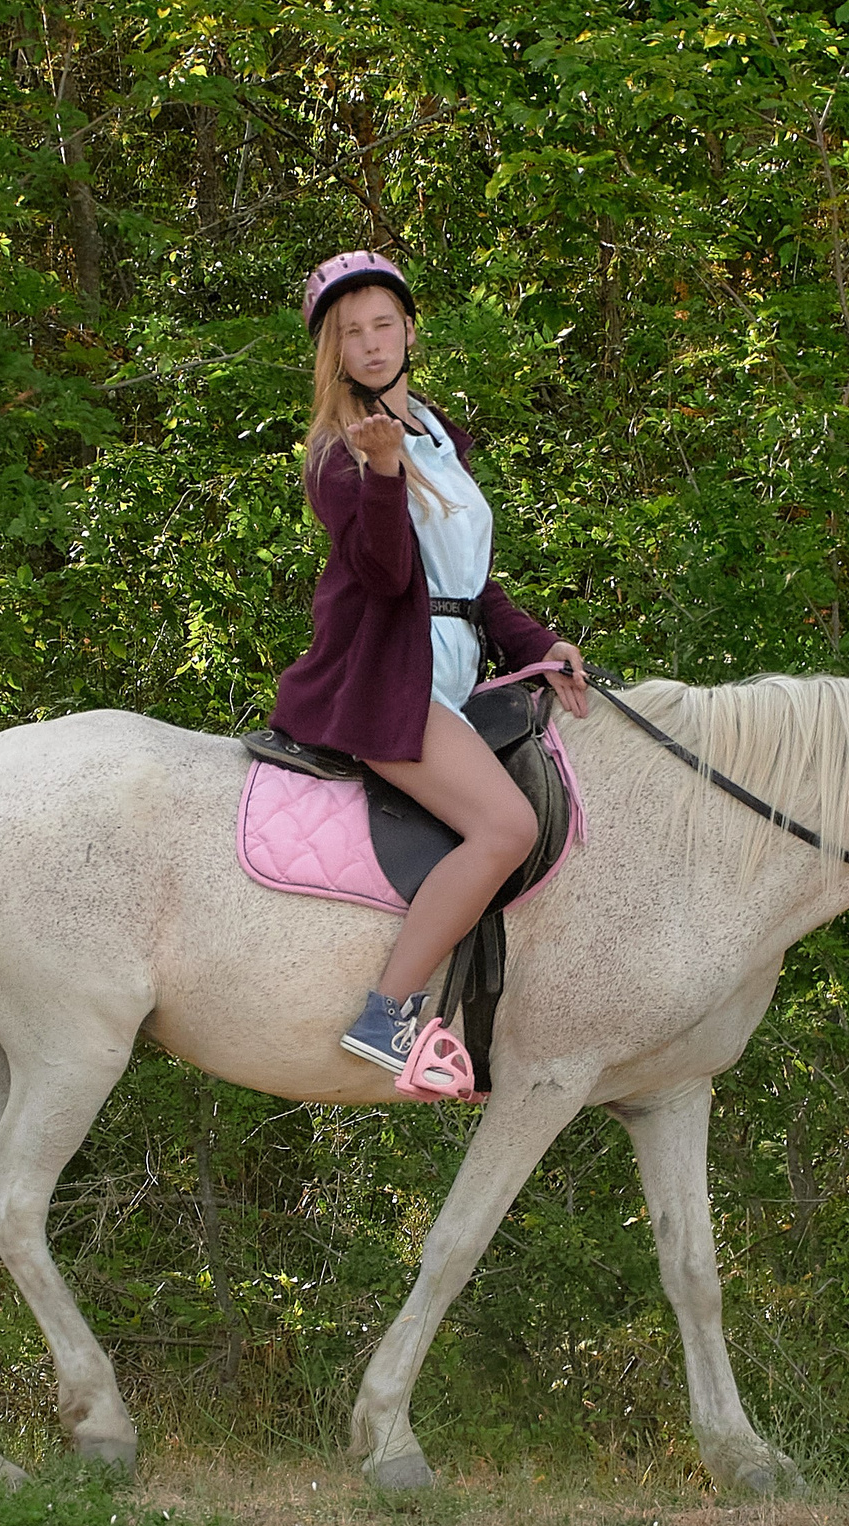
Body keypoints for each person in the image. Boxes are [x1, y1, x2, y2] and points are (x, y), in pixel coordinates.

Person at [267, 251, 591, 1076]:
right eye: (353, 333)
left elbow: (467, 579)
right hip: (384, 684)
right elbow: (386, 576)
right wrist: (382, 472)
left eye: (384, 325)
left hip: (450, 675)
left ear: (410, 331)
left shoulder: (437, 432)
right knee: (508, 827)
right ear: (334, 352)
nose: (372, 343)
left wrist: (536, 645)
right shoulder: (338, 454)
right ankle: (387, 1015)